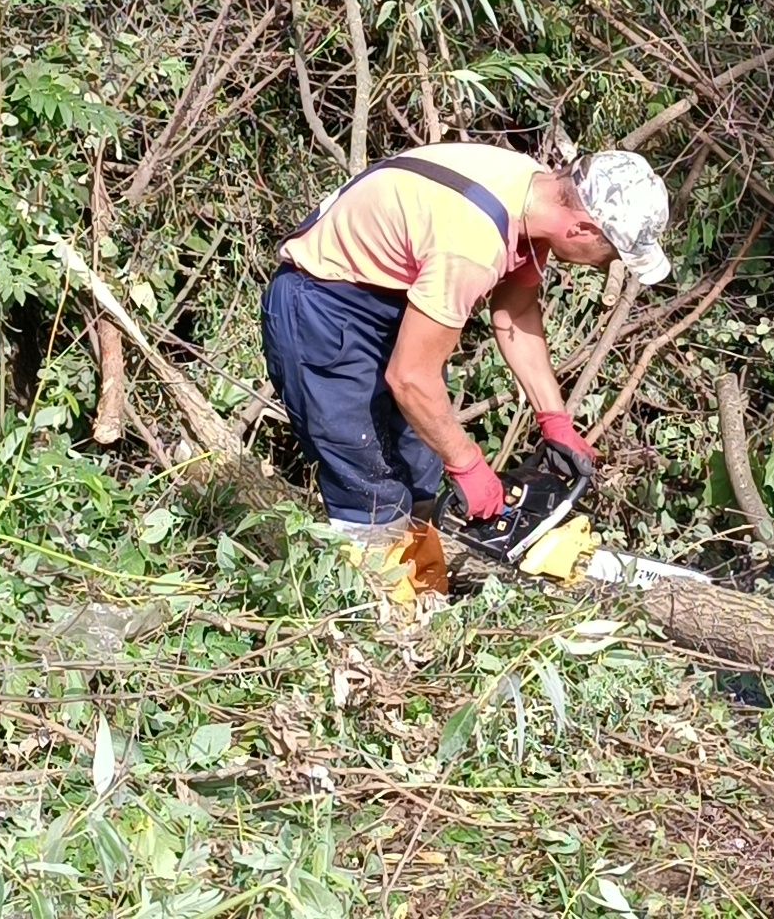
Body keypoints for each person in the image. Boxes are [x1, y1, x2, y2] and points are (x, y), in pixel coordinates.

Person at [260, 141, 671, 614]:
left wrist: (555, 420)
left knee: (419, 473)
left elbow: (515, 310)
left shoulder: (529, 189)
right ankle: (381, 626)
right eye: (610, 252)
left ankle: (426, 602)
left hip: (389, 301)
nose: (607, 265)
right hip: (323, 308)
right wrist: (470, 465)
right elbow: (412, 378)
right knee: (369, 486)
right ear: (581, 227)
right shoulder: (473, 242)